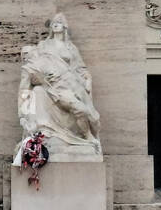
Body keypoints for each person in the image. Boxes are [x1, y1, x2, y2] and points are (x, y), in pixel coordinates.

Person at [17, 13, 101, 155]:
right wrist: (40, 78)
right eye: (54, 23)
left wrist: (87, 79)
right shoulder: (43, 45)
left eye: (59, 22)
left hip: (70, 84)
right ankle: (51, 133)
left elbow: (80, 68)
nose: (56, 24)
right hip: (52, 86)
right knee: (40, 92)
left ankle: (87, 136)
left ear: (65, 27)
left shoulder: (71, 48)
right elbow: (35, 65)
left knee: (83, 110)